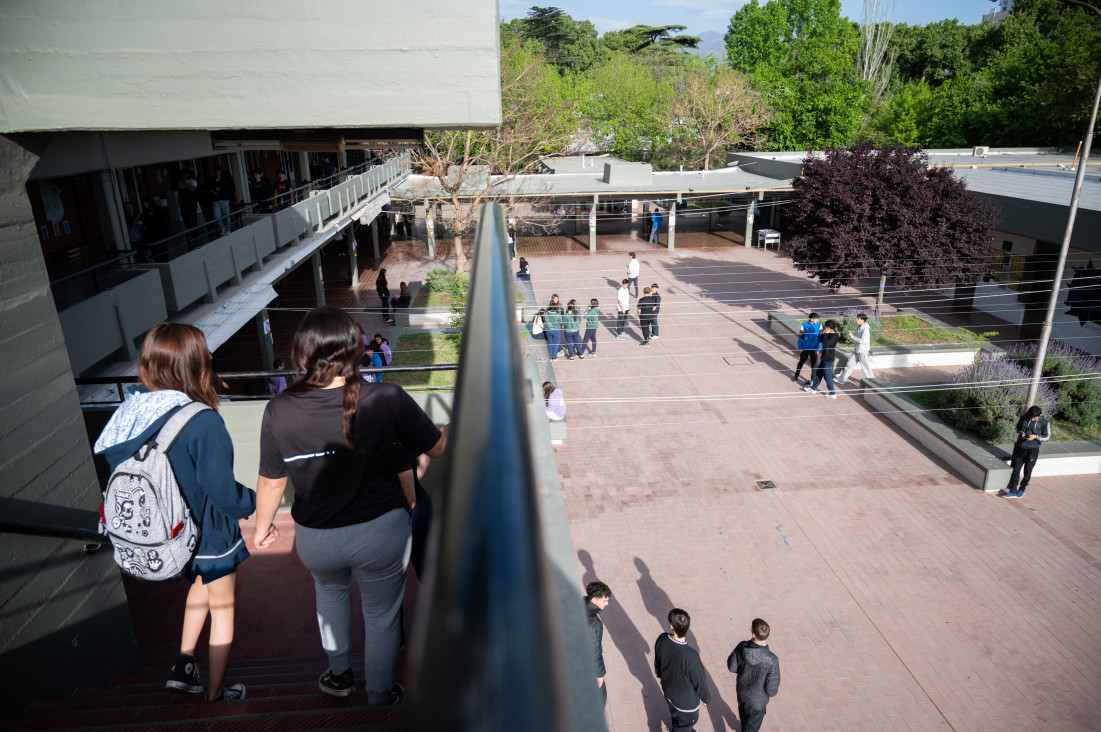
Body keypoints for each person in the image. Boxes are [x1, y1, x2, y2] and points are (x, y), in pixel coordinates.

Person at [254, 307, 448, 705]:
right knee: (381, 617)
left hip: (315, 540)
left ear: (302, 353)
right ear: (353, 349)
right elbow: (437, 447)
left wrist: (262, 527)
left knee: (329, 596)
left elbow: (272, 481)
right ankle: (379, 695)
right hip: (381, 534)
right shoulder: (386, 397)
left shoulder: (278, 409)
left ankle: (339, 676)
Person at [93, 323, 254, 702]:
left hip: (164, 535)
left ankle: (184, 663)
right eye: (204, 351)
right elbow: (225, 495)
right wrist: (257, 504)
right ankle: (215, 695)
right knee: (224, 609)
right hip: (208, 534)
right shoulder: (202, 420)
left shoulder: (126, 414)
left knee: (199, 588)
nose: (211, 356)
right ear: (191, 363)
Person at [654, 608, 710, 732]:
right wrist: (706, 698)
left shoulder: (662, 639)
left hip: (669, 693)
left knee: (676, 718)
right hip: (686, 705)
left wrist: (661, 677)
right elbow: (699, 681)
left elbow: (658, 662)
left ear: (672, 626)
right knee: (683, 727)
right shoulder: (691, 656)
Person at [727, 618, 781, 732]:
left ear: (753, 634)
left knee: (744, 719)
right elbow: (771, 691)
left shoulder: (742, 646)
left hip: (742, 694)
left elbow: (732, 667)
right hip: (757, 702)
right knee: (751, 728)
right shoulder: (772, 660)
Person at [1003, 405, 1051, 497]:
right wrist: (1021, 433)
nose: (1032, 419)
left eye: (1034, 418)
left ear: (1040, 415)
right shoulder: (1024, 417)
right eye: (1031, 417)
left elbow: (1047, 436)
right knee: (1015, 470)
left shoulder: (1045, 423)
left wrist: (1036, 437)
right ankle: (1012, 490)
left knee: (1027, 472)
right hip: (1020, 447)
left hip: (1033, 450)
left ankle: (1022, 488)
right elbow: (1017, 428)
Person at [585, 581, 612, 708]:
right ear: (594, 599)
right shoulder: (595, 624)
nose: (607, 603)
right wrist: (600, 676)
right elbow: (595, 652)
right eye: (604, 600)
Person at [804, 320, 840, 399]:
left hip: (828, 359)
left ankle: (832, 393)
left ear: (828, 327)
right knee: (818, 374)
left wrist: (826, 334)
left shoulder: (835, 335)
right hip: (824, 357)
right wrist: (823, 333)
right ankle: (813, 389)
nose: (824, 328)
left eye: (825, 327)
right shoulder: (828, 333)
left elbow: (827, 344)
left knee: (827, 376)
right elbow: (820, 340)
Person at [838, 313, 876, 385]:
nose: (856, 320)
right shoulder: (861, 326)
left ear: (862, 320)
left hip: (862, 351)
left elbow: (863, 341)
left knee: (865, 366)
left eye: (858, 319)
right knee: (849, 365)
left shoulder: (866, 329)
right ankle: (841, 380)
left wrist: (852, 337)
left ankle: (874, 382)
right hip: (857, 350)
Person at [793, 312, 821, 383]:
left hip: (814, 349)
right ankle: (796, 376)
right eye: (816, 319)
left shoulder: (819, 325)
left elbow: (820, 338)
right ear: (811, 319)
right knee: (801, 362)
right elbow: (801, 337)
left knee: (814, 365)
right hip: (805, 348)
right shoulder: (804, 325)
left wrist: (818, 349)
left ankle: (812, 380)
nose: (817, 321)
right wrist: (800, 347)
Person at [209, 166, 233, 234]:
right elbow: (209, 188)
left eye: (218, 171)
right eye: (215, 172)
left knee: (226, 215)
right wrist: (213, 192)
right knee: (216, 215)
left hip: (224, 199)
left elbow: (229, 190)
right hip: (215, 200)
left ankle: (228, 229)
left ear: (220, 172)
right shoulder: (211, 180)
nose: (217, 173)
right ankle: (222, 227)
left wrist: (220, 191)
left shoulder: (225, 180)